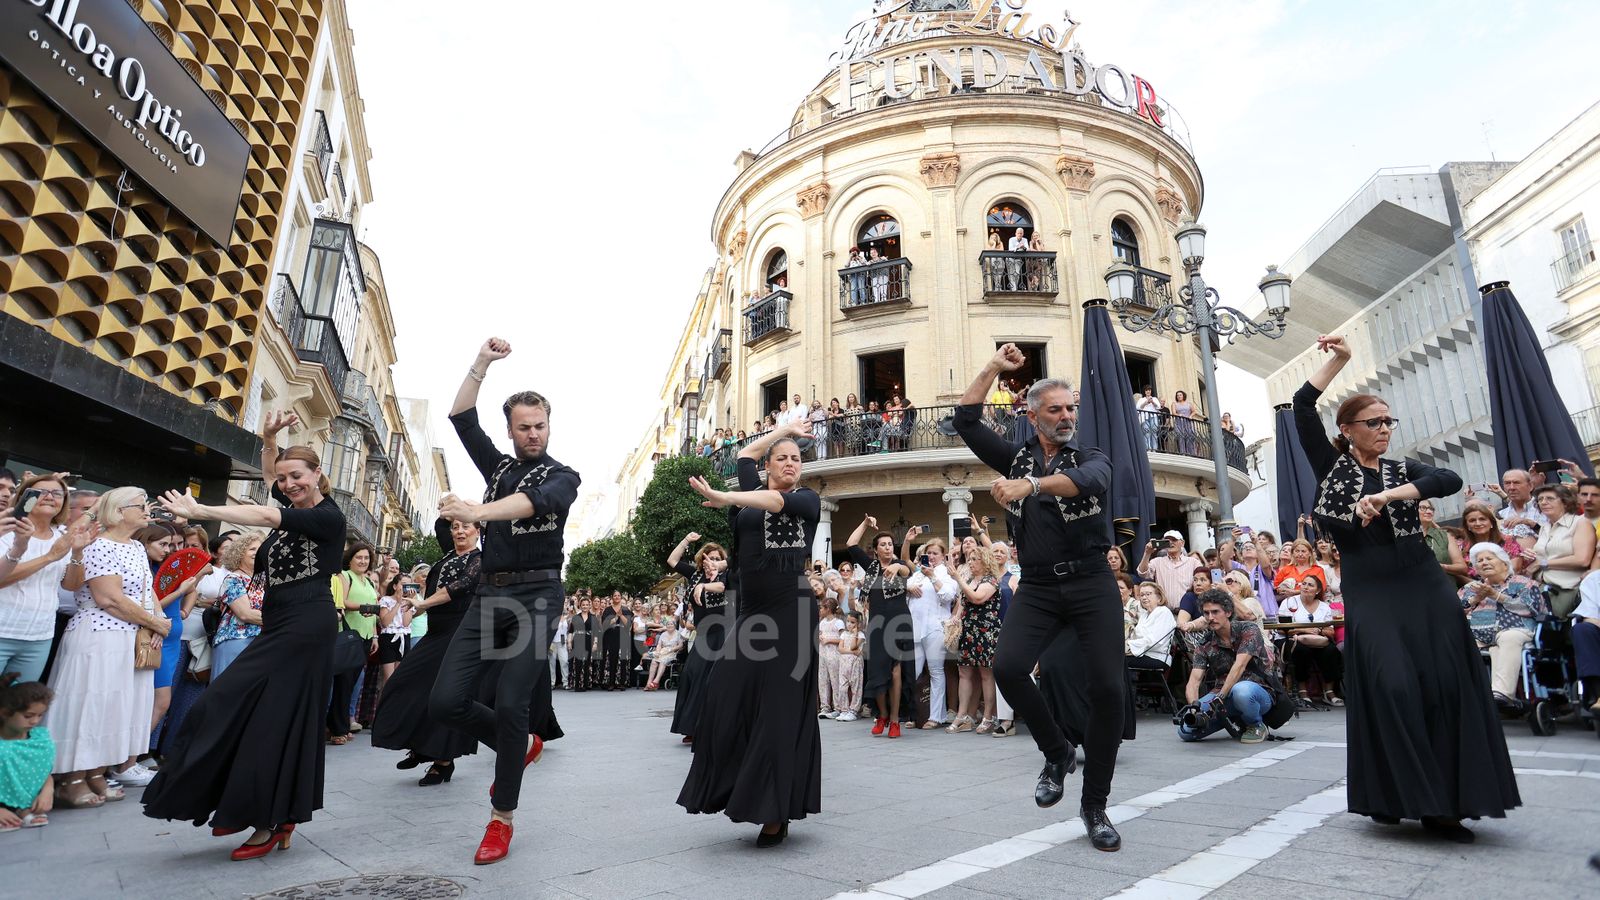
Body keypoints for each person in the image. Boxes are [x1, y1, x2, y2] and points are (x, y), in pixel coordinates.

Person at [1297, 333, 1518, 841]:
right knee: (1392, 685)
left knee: (1445, 684)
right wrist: (1342, 358)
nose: (1384, 429)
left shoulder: (1403, 469)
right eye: (1373, 422)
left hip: (1422, 583)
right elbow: (1303, 406)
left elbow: (1449, 480)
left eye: (1388, 421)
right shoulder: (1330, 466)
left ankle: (1447, 805)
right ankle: (1394, 793)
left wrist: (1392, 493)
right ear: (1348, 430)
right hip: (1372, 590)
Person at [141, 413, 347, 858]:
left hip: (307, 625)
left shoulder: (327, 518)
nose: (290, 483)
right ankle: (276, 814)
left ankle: (269, 817)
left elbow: (263, 510)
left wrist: (202, 511)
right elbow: (273, 481)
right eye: (286, 477)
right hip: (279, 623)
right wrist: (269, 439)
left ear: (318, 476)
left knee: (257, 712)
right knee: (255, 714)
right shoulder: (293, 503)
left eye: (299, 477)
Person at [952, 344, 1124, 851]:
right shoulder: (1015, 452)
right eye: (1056, 409)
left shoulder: (1088, 455)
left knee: (1109, 692)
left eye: (1071, 408)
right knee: (1007, 668)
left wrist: (1029, 485)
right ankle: (1056, 752)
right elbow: (965, 419)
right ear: (1032, 416)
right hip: (1041, 585)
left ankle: (1095, 806)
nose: (1067, 415)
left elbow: (1092, 481)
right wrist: (993, 367)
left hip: (1092, 581)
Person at [430, 337, 582, 865]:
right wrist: (481, 363)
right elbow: (461, 415)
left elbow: (535, 503)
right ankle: (518, 744)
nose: (533, 433)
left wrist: (476, 509)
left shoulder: (564, 476)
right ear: (512, 430)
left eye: (540, 424)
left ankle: (501, 820)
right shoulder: (498, 468)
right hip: (489, 594)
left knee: (514, 702)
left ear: (548, 424)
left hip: (539, 593)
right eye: (524, 426)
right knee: (444, 701)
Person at [677, 418, 822, 848]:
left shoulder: (806, 501)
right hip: (753, 613)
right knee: (723, 696)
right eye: (782, 457)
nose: (790, 463)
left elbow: (775, 502)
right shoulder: (751, 488)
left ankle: (775, 812)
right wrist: (782, 431)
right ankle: (732, 785)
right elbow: (744, 455)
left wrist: (724, 497)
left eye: (796, 458)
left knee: (778, 710)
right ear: (770, 464)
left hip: (792, 611)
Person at [45, 486, 168, 809]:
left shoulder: (137, 548)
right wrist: (153, 622)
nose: (147, 510)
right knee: (91, 704)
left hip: (131, 637)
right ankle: (71, 779)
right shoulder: (99, 545)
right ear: (117, 509)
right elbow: (108, 597)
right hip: (100, 635)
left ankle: (97, 772)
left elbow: (147, 590)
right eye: (140, 505)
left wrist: (158, 620)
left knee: (117, 709)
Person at [0, 473, 94, 683]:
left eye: (57, 493)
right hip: (3, 628)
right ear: (25, 497)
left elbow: (71, 585)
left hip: (39, 636)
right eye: (41, 492)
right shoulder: (6, 529)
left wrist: (77, 553)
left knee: (19, 708)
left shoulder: (63, 536)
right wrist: (49, 557)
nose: (50, 497)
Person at [846, 514, 913, 737]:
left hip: (899, 622)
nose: (887, 547)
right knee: (877, 672)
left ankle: (894, 721)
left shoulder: (899, 564)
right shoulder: (871, 565)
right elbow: (851, 544)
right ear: (876, 549)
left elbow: (907, 572)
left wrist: (897, 568)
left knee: (895, 671)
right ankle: (882, 715)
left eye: (889, 544)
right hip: (877, 624)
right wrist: (865, 524)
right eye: (883, 544)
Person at [1179, 590, 1277, 743]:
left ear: (1228, 612)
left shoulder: (1248, 629)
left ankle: (1256, 725)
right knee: (1186, 730)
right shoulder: (1204, 643)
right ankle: (1231, 719)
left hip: (1257, 692)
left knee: (1241, 691)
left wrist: (1219, 700)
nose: (1211, 617)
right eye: (1206, 613)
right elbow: (1194, 681)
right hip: (1222, 696)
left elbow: (1240, 665)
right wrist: (1194, 708)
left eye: (1215, 612)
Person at [1459, 543, 1545, 705]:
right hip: (1479, 633)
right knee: (1454, 643)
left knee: (1507, 638)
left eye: (1489, 558)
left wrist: (1496, 595)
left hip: (1515, 628)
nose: (1484, 562)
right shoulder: (1471, 588)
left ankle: (1501, 694)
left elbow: (1533, 609)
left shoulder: (1524, 583)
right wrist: (1475, 599)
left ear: (1504, 563)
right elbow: (1455, 614)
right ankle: (1462, 696)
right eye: (1480, 560)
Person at [666, 534, 729, 743]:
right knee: (691, 675)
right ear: (702, 559)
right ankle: (692, 726)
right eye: (709, 557)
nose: (712, 561)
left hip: (722, 632)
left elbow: (721, 588)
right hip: (703, 634)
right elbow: (672, 561)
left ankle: (709, 727)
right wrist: (685, 540)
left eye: (716, 558)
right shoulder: (695, 574)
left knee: (709, 678)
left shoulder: (725, 575)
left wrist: (705, 587)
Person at [903, 527, 956, 728]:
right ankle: (916, 714)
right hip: (915, 627)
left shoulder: (945, 574)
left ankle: (936, 716)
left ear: (943, 556)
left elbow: (948, 596)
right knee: (913, 671)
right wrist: (908, 587)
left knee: (935, 671)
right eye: (929, 553)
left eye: (935, 553)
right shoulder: (918, 574)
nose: (931, 556)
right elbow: (905, 587)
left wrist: (933, 576)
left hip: (935, 627)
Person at [327, 544, 379, 745]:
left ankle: (342, 725)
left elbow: (374, 614)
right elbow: (344, 601)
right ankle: (337, 728)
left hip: (365, 636)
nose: (363, 561)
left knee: (352, 684)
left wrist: (374, 636)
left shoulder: (369, 582)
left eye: (366, 558)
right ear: (350, 559)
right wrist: (365, 607)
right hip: (349, 636)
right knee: (343, 684)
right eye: (359, 557)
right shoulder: (344, 576)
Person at [949, 543, 1001, 733]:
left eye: (974, 559)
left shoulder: (991, 580)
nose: (970, 562)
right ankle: (962, 715)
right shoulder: (970, 579)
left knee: (986, 673)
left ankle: (988, 716)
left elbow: (977, 598)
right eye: (969, 559)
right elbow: (964, 602)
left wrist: (957, 579)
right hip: (968, 630)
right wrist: (955, 618)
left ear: (984, 561)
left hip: (985, 631)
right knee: (964, 672)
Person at [1529, 484, 1595, 618]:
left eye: (1550, 498)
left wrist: (1543, 563)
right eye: (1540, 499)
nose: (1543, 502)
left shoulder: (1581, 522)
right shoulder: (1545, 527)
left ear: (1565, 502)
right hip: (1540, 585)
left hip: (1567, 589)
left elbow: (1582, 559)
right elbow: (1542, 556)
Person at [1278, 575, 1343, 707]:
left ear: (1318, 591)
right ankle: (1303, 691)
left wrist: (1318, 630)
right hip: (1290, 638)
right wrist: (1307, 630)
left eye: (1310, 585)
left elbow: (1330, 631)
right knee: (1302, 650)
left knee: (1331, 650)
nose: (1306, 587)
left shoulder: (1324, 607)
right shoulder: (1289, 602)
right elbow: (1281, 629)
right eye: (1304, 583)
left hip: (1316, 639)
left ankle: (1329, 691)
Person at [0, 674, 54, 832]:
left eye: (40, 715)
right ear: (5, 713)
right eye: (28, 716)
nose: (35, 721)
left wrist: (47, 792)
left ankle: (21, 808)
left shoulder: (38, 739)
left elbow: (44, 771)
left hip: (27, 798)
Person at [210, 534, 265, 679]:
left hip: (262, 644)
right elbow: (245, 614)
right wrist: (282, 620)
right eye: (252, 549)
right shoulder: (233, 579)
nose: (257, 552)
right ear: (239, 554)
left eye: (260, 549)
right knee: (226, 695)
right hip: (236, 641)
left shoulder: (266, 581)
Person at [1138, 530, 1202, 609]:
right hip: (1164, 611)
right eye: (1167, 541)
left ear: (1182, 543)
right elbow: (1142, 573)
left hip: (1188, 612)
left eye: (1174, 540)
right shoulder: (1157, 561)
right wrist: (1147, 553)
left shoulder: (1194, 562)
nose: (1171, 542)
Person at [1126, 581, 1177, 676]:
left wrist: (1129, 646)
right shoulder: (1144, 615)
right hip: (1143, 654)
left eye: (1148, 594)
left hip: (1157, 657)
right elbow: (1137, 636)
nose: (1144, 597)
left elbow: (1155, 641)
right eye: (1141, 595)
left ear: (1159, 597)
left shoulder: (1163, 612)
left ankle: (1126, 690)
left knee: (1117, 660)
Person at [1492, 469, 1546, 547]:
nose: (1511, 487)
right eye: (1507, 483)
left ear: (1530, 486)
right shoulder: (1501, 515)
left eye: (1516, 483)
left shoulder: (1545, 509)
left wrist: (1530, 523)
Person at [817, 599, 845, 719]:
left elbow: (844, 638)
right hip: (823, 654)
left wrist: (829, 640)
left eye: (822, 608)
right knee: (823, 680)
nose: (820, 610)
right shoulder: (822, 622)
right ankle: (825, 706)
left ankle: (838, 707)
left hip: (834, 655)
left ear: (828, 609)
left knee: (835, 680)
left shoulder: (838, 622)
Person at [835, 613, 865, 721]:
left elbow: (853, 646)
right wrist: (852, 652)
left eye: (852, 622)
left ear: (858, 624)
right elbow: (840, 649)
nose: (849, 624)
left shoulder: (860, 635)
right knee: (842, 687)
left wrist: (855, 633)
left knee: (855, 687)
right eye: (848, 621)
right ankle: (844, 710)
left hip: (855, 664)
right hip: (843, 663)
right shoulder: (843, 635)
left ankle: (853, 710)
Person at [601, 592, 633, 690]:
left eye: (618, 596)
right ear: (612, 598)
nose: (617, 597)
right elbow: (605, 624)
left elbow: (628, 625)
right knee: (611, 659)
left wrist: (621, 615)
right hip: (610, 636)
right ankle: (610, 683)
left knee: (622, 659)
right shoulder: (607, 610)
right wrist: (615, 618)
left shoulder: (626, 609)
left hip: (622, 635)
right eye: (615, 596)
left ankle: (622, 683)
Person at [567, 595, 598, 692]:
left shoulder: (593, 618)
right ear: (580, 606)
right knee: (578, 663)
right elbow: (571, 631)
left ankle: (585, 684)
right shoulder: (576, 617)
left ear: (589, 606)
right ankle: (577, 685)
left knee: (587, 663)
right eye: (583, 605)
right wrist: (569, 642)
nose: (585, 606)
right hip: (577, 640)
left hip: (588, 640)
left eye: (586, 605)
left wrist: (595, 643)